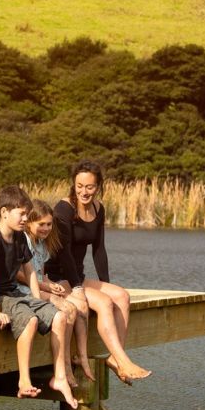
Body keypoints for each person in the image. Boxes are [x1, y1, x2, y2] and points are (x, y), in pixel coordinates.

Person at [0, 185, 78, 408]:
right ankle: (24, 381)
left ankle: (59, 376)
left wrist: (38, 300)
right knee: (30, 320)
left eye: (27, 214)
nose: (25, 219)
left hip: (14, 294)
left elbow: (30, 272)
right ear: (4, 212)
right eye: (21, 214)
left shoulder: (19, 237)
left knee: (59, 316)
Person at [47, 160, 151, 384]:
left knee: (121, 296)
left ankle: (115, 358)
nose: (84, 192)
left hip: (78, 276)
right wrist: (76, 287)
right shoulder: (64, 209)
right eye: (79, 186)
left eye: (90, 187)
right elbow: (63, 252)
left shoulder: (98, 209)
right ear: (73, 185)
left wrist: (106, 284)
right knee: (104, 302)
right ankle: (124, 361)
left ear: (98, 186)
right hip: (58, 277)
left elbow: (99, 250)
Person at [15, 201, 94, 386]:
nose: (46, 228)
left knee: (79, 306)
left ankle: (77, 358)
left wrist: (50, 284)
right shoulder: (23, 240)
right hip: (23, 290)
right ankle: (64, 368)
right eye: (41, 224)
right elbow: (18, 274)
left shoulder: (42, 244)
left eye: (49, 224)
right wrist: (45, 286)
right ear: (29, 223)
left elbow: (41, 273)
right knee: (68, 308)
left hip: (39, 286)